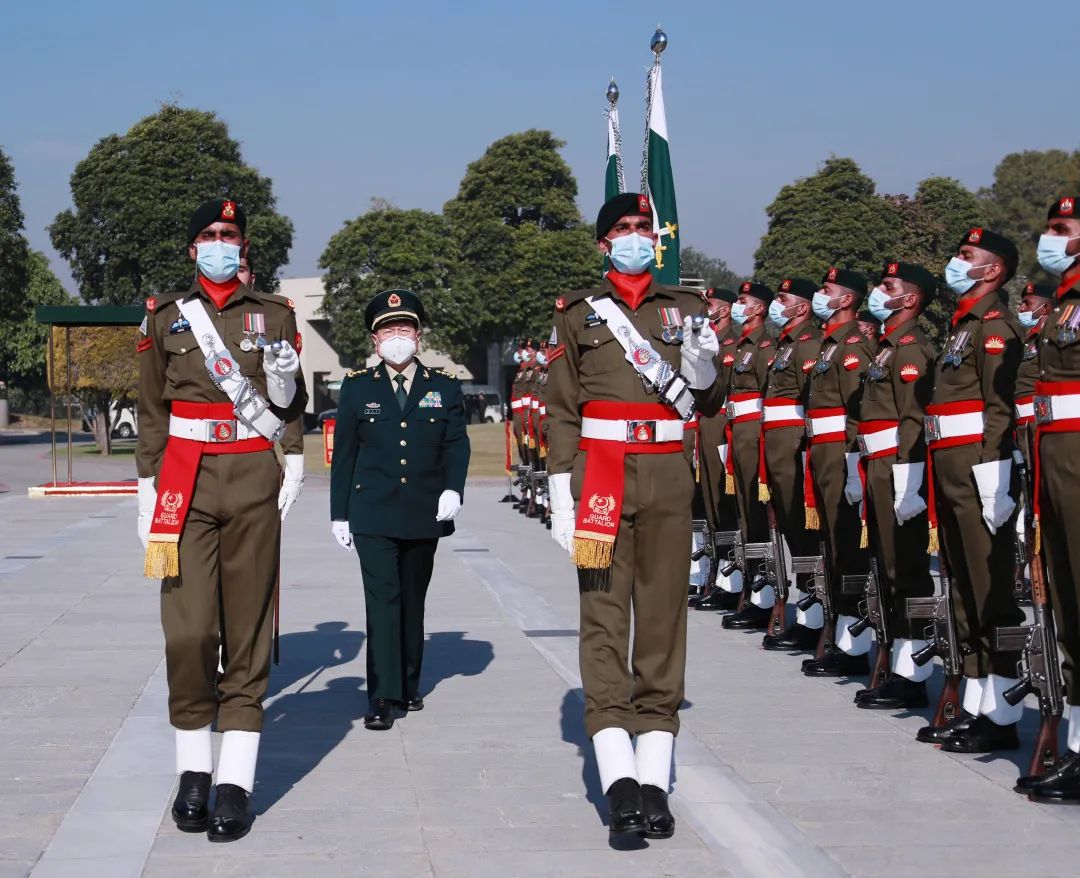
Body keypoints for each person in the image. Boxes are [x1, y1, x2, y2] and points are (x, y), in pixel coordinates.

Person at [545, 193, 721, 839]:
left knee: (663, 622)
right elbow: (561, 407)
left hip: (669, 477)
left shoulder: (689, 309)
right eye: (622, 228)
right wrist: (560, 491)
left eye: (643, 227)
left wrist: (704, 365)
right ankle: (619, 779)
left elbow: (710, 399)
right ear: (603, 244)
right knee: (602, 617)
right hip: (600, 478)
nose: (635, 236)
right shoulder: (577, 312)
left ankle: (654, 779)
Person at [136, 198, 307, 842]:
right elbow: (151, 408)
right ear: (192, 249)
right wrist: (147, 487)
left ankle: (233, 782)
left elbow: (289, 403)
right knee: (187, 631)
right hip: (185, 480)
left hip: (252, 476)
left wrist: (294, 454)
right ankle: (192, 771)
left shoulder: (276, 313)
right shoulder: (165, 316)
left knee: (248, 630)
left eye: (228, 234)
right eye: (208, 234)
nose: (219, 242)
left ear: (243, 246)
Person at [329, 290, 470, 731]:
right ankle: (383, 695)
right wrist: (339, 513)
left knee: (411, 601)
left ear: (418, 335)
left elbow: (456, 444)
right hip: (372, 512)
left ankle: (408, 683)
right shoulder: (357, 387)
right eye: (387, 330)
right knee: (382, 603)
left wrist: (454, 489)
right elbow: (345, 454)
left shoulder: (443, 385)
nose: (396, 336)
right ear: (374, 340)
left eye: (403, 328)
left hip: (424, 511)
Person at [920, 228, 1025, 753]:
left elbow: (998, 405)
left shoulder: (995, 325)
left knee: (990, 588)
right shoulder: (962, 325)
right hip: (952, 466)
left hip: (979, 469)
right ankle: (977, 701)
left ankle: (1003, 714)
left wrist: (994, 474)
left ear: (993, 270)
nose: (955, 262)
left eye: (966, 256)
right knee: (963, 585)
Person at [851, 263, 937, 709]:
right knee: (887, 567)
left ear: (909, 299)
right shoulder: (886, 348)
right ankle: (898, 664)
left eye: (888, 285)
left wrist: (909, 478)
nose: (879, 291)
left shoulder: (911, 348)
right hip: (878, 464)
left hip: (896, 465)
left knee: (906, 569)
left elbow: (912, 418)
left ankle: (913, 673)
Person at [1025, 198, 1080, 801]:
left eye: (1062, 229)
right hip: (1056, 459)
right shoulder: (1064, 304)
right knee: (1068, 601)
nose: (1050, 238)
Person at [802, 267, 875, 677]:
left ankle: (854, 645)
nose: (819, 294)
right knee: (833, 546)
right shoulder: (830, 345)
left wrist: (851, 464)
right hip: (823, 453)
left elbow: (858, 411)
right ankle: (839, 636)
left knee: (848, 549)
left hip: (839, 454)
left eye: (826, 289)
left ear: (846, 300)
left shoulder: (852, 347)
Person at [760, 278, 824, 650]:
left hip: (793, 446)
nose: (776, 304)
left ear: (802, 308)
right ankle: (807, 610)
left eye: (783, 299)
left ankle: (814, 615)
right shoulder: (787, 344)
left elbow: (811, 400)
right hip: (778, 447)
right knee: (790, 528)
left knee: (803, 532)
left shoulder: (808, 344)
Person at [717, 280, 776, 631]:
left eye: (743, 301)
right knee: (744, 515)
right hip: (738, 433)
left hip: (754, 435)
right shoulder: (741, 345)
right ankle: (755, 592)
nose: (738, 306)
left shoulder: (765, 346)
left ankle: (766, 596)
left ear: (759, 308)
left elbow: (771, 394)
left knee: (756, 515)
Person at [692, 289, 745, 611]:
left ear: (724, 310)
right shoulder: (709, 342)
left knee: (725, 506)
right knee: (710, 504)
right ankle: (717, 575)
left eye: (709, 306)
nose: (704, 310)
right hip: (706, 425)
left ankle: (732, 580)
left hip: (722, 425)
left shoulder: (731, 344)